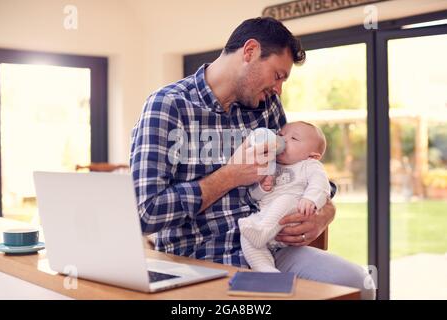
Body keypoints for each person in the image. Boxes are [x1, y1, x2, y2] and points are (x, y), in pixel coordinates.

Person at [130, 17, 375, 299]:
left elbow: (301, 168)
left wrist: (325, 213)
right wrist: (229, 176)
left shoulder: (266, 106)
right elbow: (143, 213)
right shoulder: (168, 106)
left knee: (358, 283)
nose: (279, 89)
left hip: (270, 252)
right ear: (250, 52)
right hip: (200, 261)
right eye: (278, 75)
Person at [238, 121, 331, 273]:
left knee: (285, 200)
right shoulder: (269, 164)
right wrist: (262, 188)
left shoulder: (309, 165)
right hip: (268, 220)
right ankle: (266, 269)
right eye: (281, 135)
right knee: (247, 232)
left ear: (312, 155)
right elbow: (254, 196)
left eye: (294, 139)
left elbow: (321, 186)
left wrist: (310, 200)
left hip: (293, 214)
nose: (282, 140)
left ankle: (262, 232)